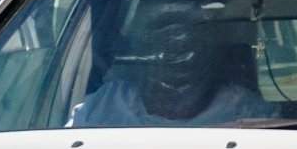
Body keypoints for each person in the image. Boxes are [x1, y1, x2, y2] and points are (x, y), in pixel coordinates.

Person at [71, 7, 274, 128]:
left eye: (189, 45)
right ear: (140, 53)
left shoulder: (246, 110)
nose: (175, 54)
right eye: (161, 42)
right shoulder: (104, 105)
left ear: (211, 56)